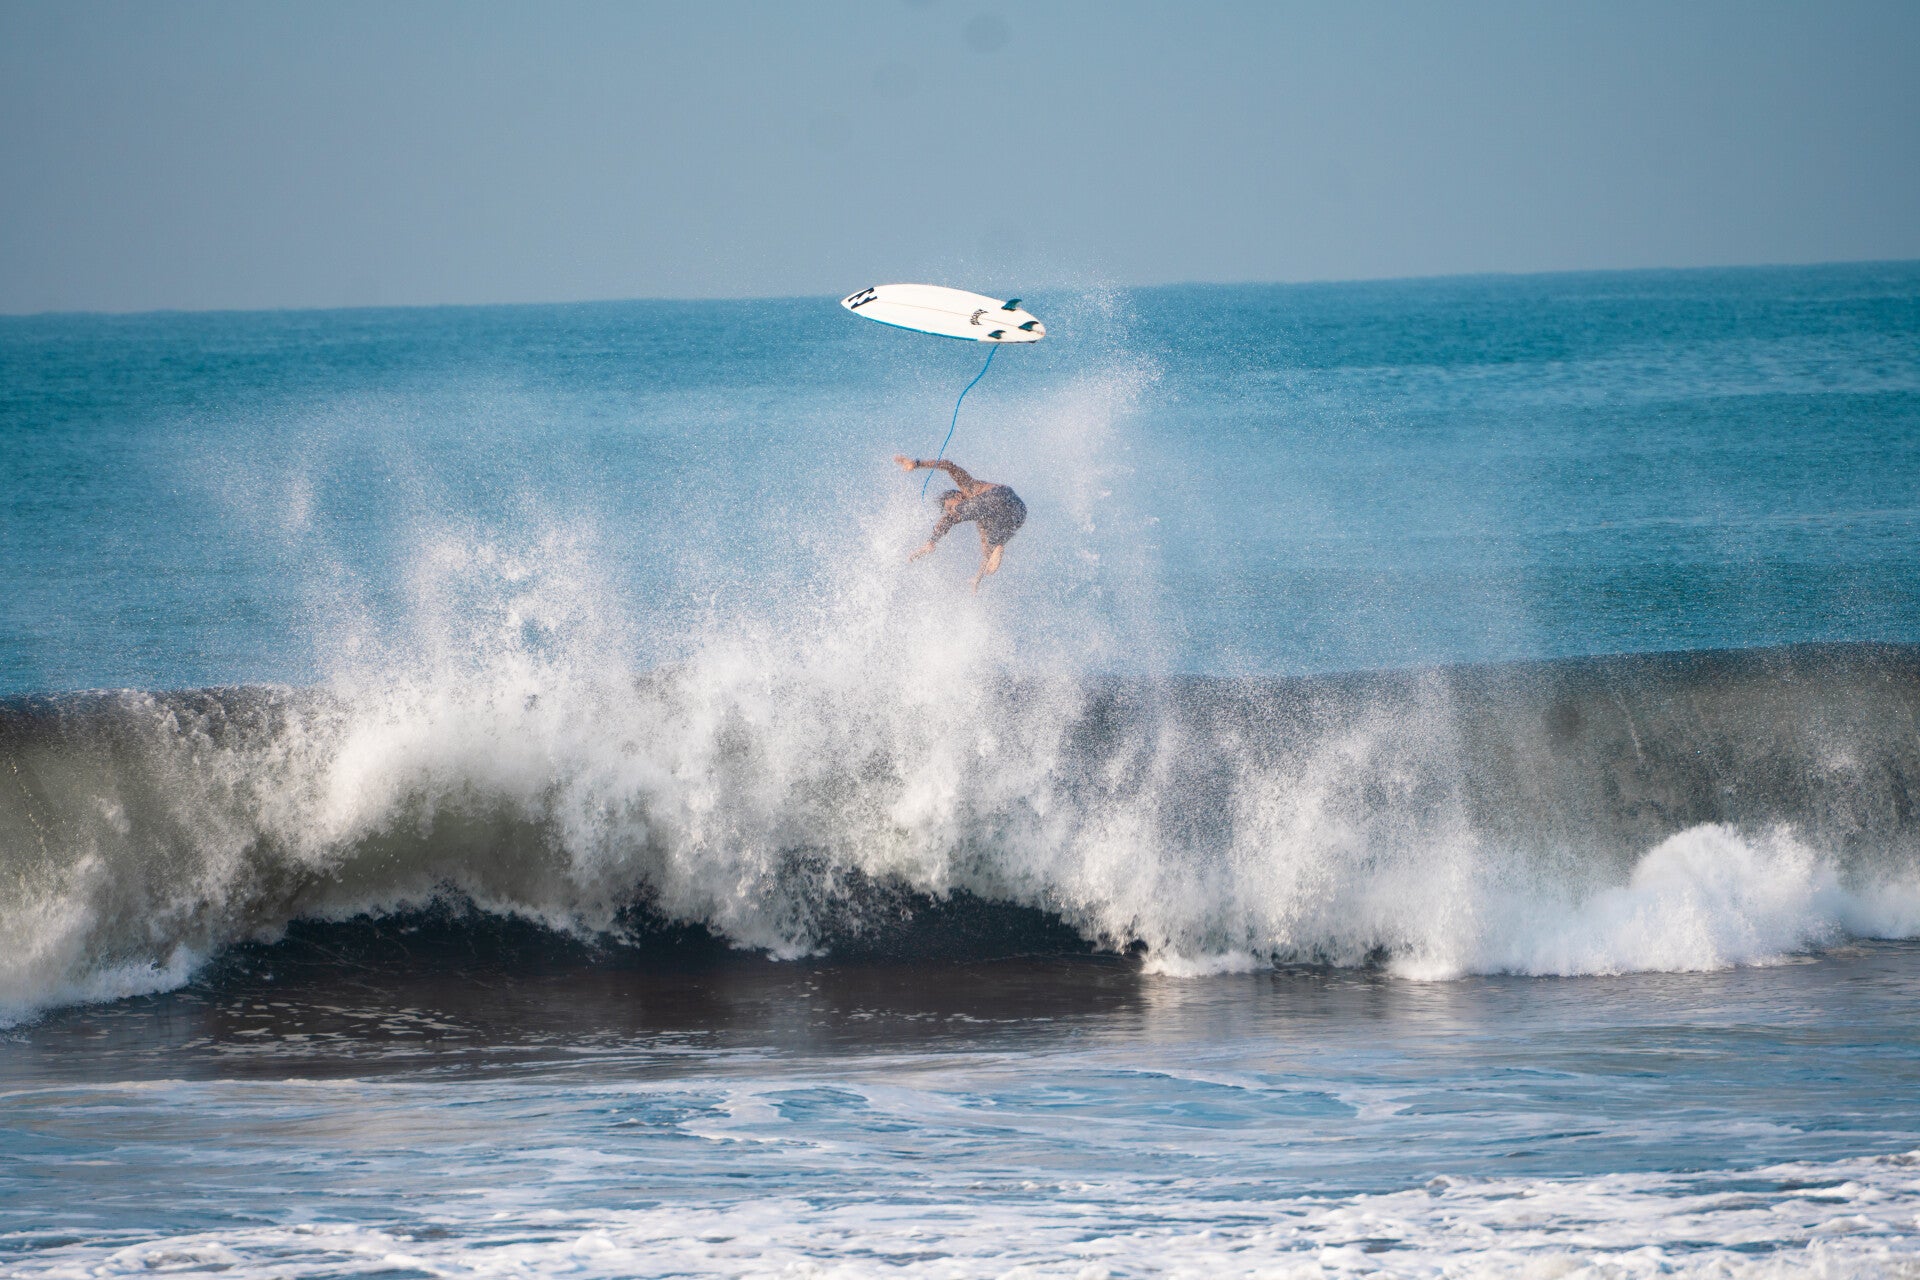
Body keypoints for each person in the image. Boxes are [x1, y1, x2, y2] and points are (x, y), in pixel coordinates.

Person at [893, 455, 1027, 592]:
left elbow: (948, 465)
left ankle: (930, 543)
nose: (950, 511)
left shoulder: (969, 487)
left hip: (999, 494)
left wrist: (917, 464)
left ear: (957, 496)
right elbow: (986, 553)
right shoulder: (982, 518)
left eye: (949, 506)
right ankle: (998, 545)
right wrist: (977, 578)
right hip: (1019, 512)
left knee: (956, 516)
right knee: (991, 543)